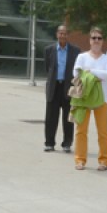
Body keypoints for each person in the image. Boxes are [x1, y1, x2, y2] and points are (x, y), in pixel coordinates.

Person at [73, 27, 107, 171]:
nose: (96, 40)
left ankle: (104, 160)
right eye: (94, 38)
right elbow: (76, 72)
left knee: (103, 131)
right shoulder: (82, 57)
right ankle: (80, 160)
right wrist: (96, 76)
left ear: (103, 41)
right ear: (89, 40)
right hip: (84, 97)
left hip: (102, 98)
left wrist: (90, 72)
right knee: (81, 130)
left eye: (99, 38)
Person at [44, 25, 80, 153]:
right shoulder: (49, 50)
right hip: (54, 87)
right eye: (60, 33)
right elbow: (48, 68)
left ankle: (67, 143)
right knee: (51, 117)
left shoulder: (75, 51)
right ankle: (49, 143)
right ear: (57, 34)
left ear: (68, 35)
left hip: (68, 87)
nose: (62, 35)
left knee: (68, 118)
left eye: (65, 33)